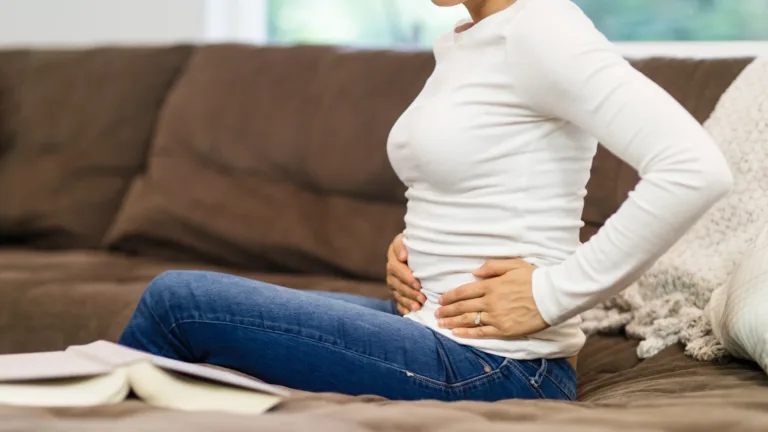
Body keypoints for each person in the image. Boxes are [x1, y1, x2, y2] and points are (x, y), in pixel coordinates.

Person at [119, 0, 732, 402]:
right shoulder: (469, 40)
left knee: (180, 303)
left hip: (499, 367)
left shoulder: (544, 29)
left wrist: (551, 294)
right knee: (210, 332)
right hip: (431, 323)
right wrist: (417, 247)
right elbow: (474, 174)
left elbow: (693, 168)